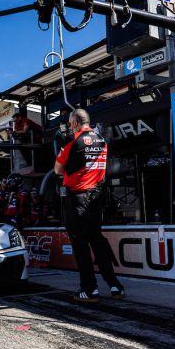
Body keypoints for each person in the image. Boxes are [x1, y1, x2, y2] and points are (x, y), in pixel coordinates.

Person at [54, 108, 124, 303]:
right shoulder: (101, 140)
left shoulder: (70, 141)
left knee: (80, 244)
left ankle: (89, 289)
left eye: (70, 122)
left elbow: (58, 170)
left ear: (76, 122)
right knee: (98, 241)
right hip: (96, 198)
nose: (69, 125)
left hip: (77, 199)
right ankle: (115, 286)